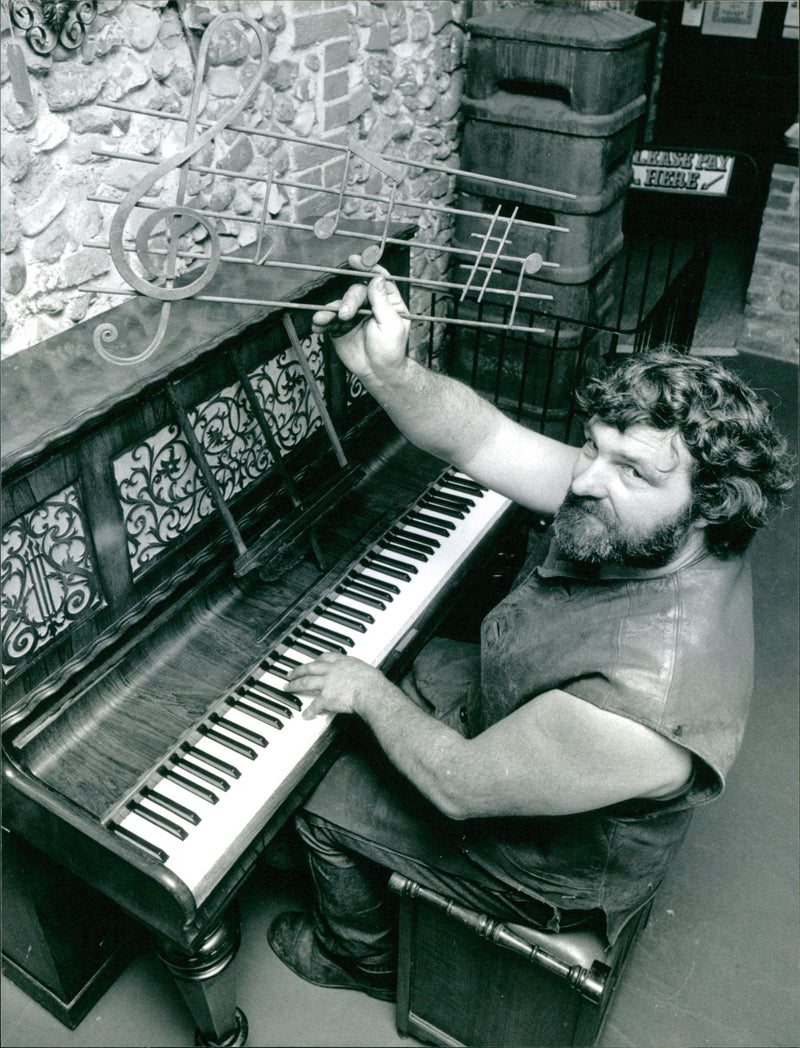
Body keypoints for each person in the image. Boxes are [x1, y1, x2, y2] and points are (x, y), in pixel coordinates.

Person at [266, 261, 794, 1002]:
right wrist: (387, 371)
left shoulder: (645, 702)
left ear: (709, 503)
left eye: (630, 471)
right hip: (525, 702)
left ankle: (359, 959)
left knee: (323, 802)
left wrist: (366, 691)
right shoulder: (658, 517)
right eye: (591, 447)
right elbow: (480, 440)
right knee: (406, 672)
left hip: (549, 868)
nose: (584, 481)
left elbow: (459, 786)